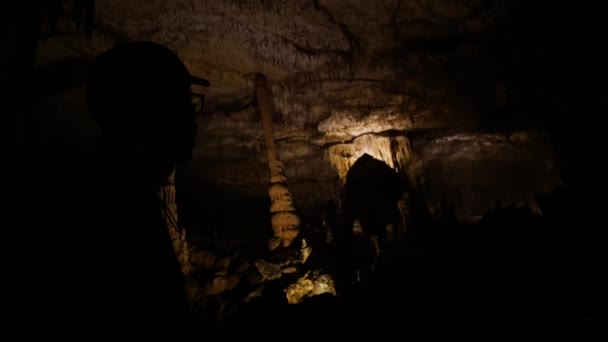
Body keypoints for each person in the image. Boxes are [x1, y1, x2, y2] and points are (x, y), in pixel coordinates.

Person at [28, 41, 209, 336]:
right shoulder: (107, 216)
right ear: (148, 111)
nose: (193, 117)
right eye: (185, 103)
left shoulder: (119, 196)